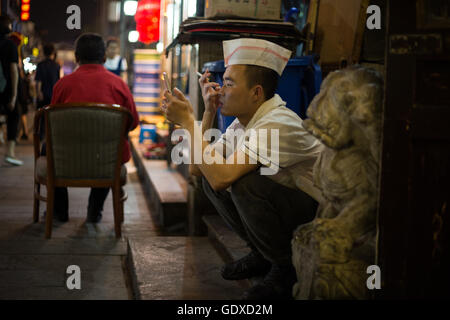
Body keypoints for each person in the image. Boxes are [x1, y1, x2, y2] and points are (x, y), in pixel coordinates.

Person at [162, 38, 324, 300]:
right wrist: (208, 112)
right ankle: (262, 255)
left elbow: (222, 178)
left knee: (242, 183)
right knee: (210, 175)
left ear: (256, 93)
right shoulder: (241, 123)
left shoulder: (276, 122)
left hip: (317, 214)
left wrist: (186, 123)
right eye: (222, 81)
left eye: (228, 83)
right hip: (288, 206)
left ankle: (286, 267)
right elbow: (197, 169)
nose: (220, 89)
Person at [49, 33, 139, 223]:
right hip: (106, 160)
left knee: (46, 148)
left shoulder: (62, 85)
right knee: (110, 152)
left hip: (66, 159)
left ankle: (59, 211)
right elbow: (133, 122)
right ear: (104, 58)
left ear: (76, 57)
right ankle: (94, 210)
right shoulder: (119, 85)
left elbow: (50, 124)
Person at [0, 15, 22, 166]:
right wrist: (14, 96)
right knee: (14, 115)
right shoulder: (10, 45)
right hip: (6, 89)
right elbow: (14, 71)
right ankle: (10, 152)